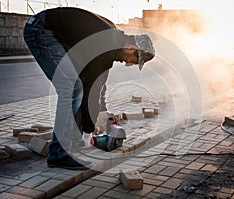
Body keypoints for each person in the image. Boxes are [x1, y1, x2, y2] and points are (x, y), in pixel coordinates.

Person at [23, 7, 155, 170]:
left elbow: (99, 87)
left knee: (78, 86)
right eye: (133, 61)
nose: (127, 63)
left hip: (47, 28)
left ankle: (71, 142)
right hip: (42, 30)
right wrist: (88, 132)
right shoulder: (106, 47)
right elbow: (92, 94)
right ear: (131, 48)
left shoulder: (111, 40)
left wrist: (103, 115)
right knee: (71, 89)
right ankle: (59, 154)